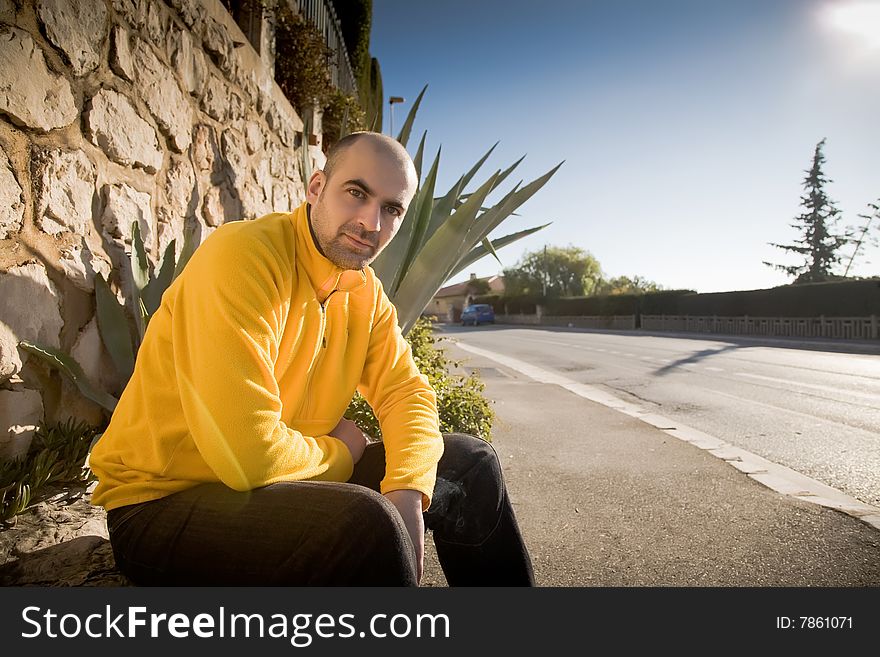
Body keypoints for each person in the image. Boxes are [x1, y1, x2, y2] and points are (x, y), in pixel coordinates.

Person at [89, 131, 534, 586]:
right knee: (366, 524)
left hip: (279, 485)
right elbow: (247, 457)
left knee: (470, 464)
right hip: (160, 503)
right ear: (316, 187)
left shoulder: (364, 292)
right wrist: (343, 451)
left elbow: (406, 392)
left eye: (391, 208)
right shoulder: (244, 258)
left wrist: (408, 486)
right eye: (356, 193)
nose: (370, 222)